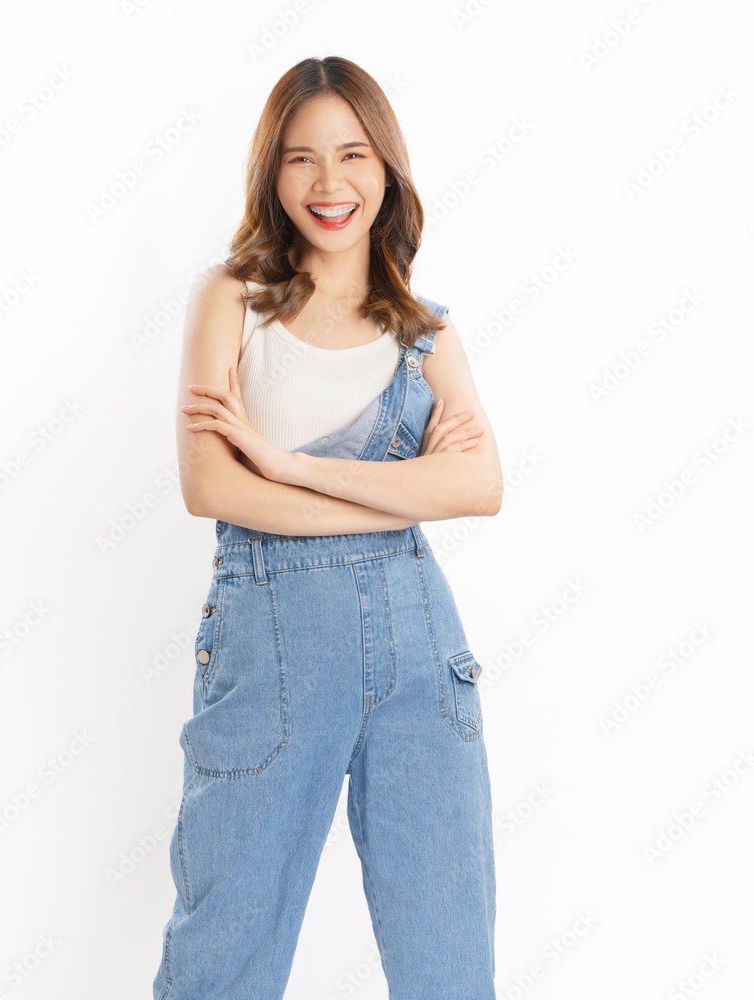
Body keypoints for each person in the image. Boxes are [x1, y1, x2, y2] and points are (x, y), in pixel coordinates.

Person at [153, 55, 503, 1000]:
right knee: (226, 941)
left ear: (386, 168)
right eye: (300, 158)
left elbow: (479, 485)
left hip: (420, 649)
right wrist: (392, 487)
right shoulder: (231, 301)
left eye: (352, 154)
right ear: (270, 173)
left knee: (449, 958)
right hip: (270, 653)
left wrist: (290, 464)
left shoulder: (425, 329)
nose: (328, 183)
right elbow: (207, 487)